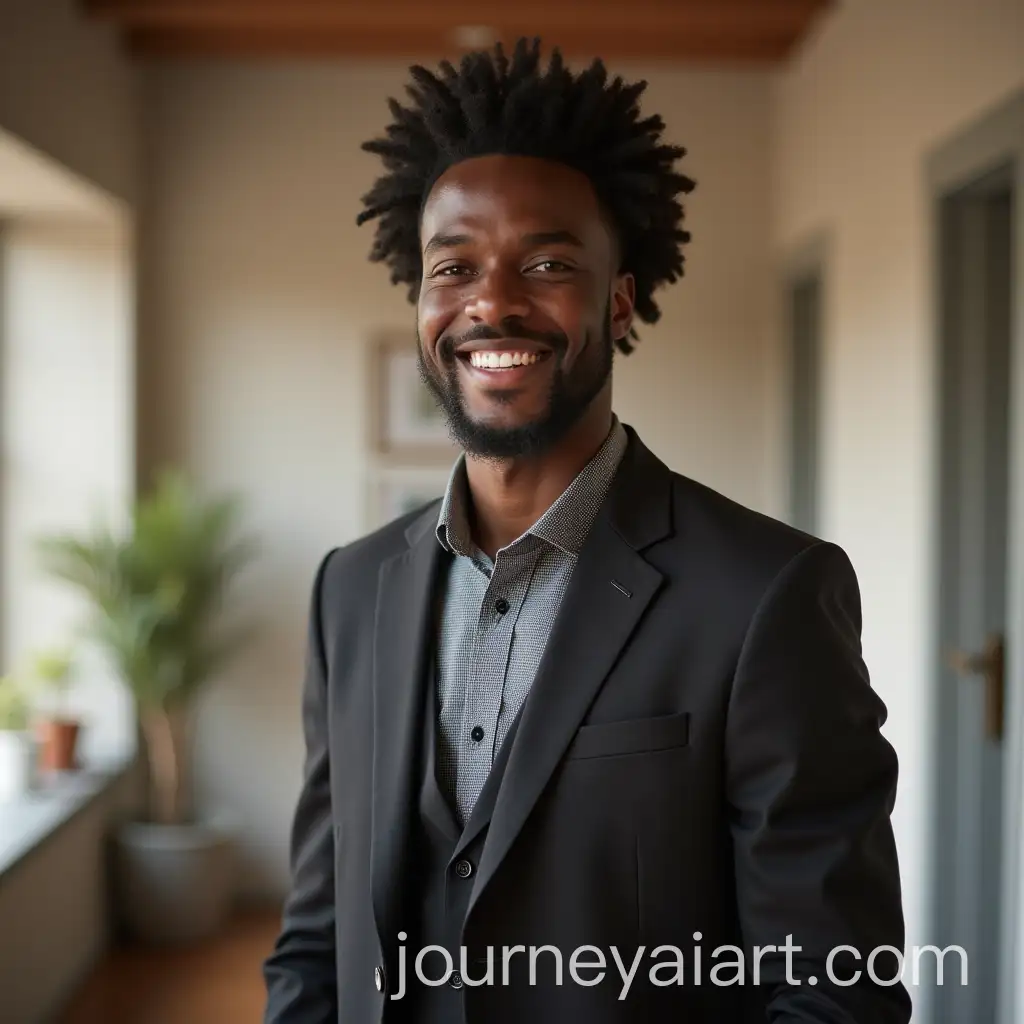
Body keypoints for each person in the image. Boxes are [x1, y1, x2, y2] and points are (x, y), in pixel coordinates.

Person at [263, 37, 911, 1024]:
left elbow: (833, 993)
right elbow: (316, 939)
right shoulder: (346, 591)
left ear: (618, 299)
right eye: (454, 266)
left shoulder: (765, 594)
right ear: (419, 300)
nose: (492, 299)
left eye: (548, 260)